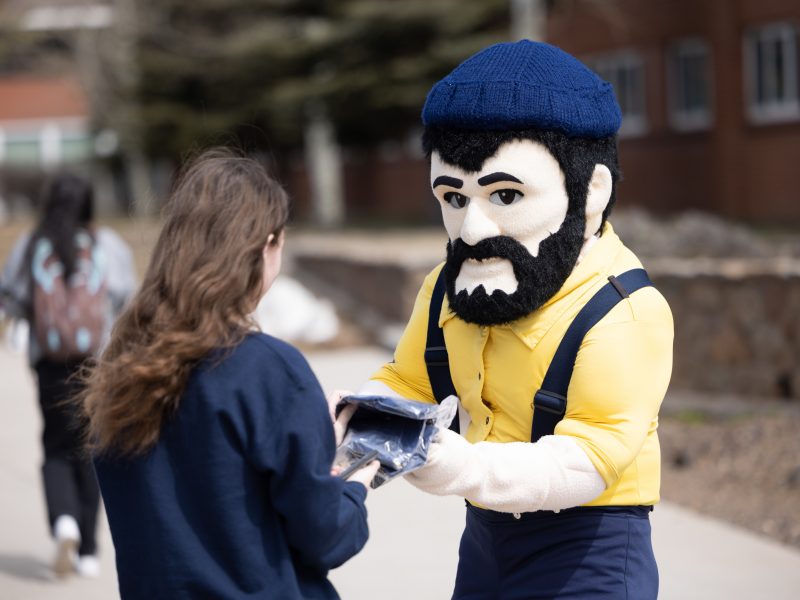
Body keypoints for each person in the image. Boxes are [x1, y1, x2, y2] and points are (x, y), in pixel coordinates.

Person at [357, 41, 674, 598]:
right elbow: (408, 380)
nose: (473, 229)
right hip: (485, 539)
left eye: (505, 194)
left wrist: (461, 467)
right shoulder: (445, 290)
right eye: (453, 198)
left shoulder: (623, 310)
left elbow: (592, 457)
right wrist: (362, 418)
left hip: (589, 551)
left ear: (592, 190)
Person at [79, 148, 378, 599]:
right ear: (266, 246)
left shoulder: (119, 367)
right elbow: (327, 538)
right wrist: (353, 485)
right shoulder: (267, 369)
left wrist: (318, 446)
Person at [0, 173, 136, 578]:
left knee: (56, 446)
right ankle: (90, 552)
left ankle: (63, 521)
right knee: (92, 446)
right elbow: (124, 295)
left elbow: (12, 295)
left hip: (49, 364)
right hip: (96, 362)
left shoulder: (30, 244)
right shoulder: (106, 243)